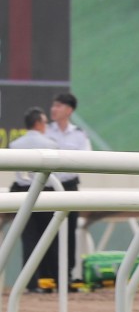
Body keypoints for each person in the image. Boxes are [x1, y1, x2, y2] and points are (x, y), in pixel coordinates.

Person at [9, 107, 59, 293]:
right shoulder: (51, 144)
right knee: (49, 238)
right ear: (38, 123)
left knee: (28, 239)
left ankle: (30, 282)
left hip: (23, 192)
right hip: (45, 191)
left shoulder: (15, 145)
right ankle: (51, 279)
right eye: (45, 122)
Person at [45, 93, 92, 289]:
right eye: (53, 105)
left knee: (70, 230)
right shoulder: (45, 132)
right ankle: (48, 275)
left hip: (70, 186)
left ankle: (67, 274)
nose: (53, 109)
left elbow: (87, 158)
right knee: (48, 231)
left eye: (58, 106)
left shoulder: (79, 135)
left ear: (69, 110)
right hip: (48, 188)